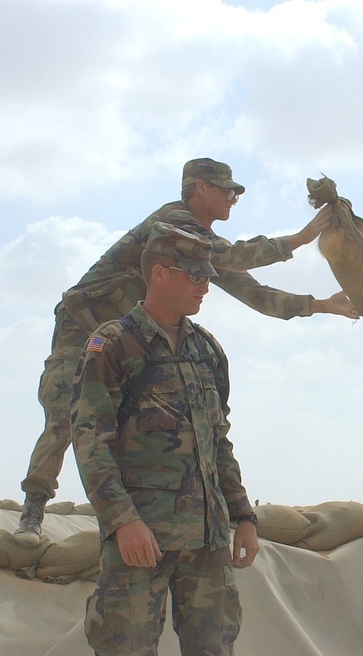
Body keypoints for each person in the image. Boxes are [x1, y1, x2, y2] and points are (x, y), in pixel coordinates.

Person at [14, 157, 357, 543]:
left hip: (136, 334)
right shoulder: (173, 220)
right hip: (84, 325)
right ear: (201, 189)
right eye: (228, 191)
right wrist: (298, 238)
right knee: (65, 412)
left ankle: (142, 513)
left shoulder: (198, 253)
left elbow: (255, 294)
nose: (233, 199)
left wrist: (321, 304)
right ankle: (33, 510)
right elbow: (232, 256)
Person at [72, 222, 259, 655]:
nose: (205, 288)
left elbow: (218, 442)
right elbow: (90, 441)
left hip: (207, 541)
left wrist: (243, 516)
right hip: (142, 540)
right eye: (195, 276)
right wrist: (123, 521)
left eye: (207, 278)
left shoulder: (206, 350)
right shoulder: (114, 346)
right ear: (160, 273)